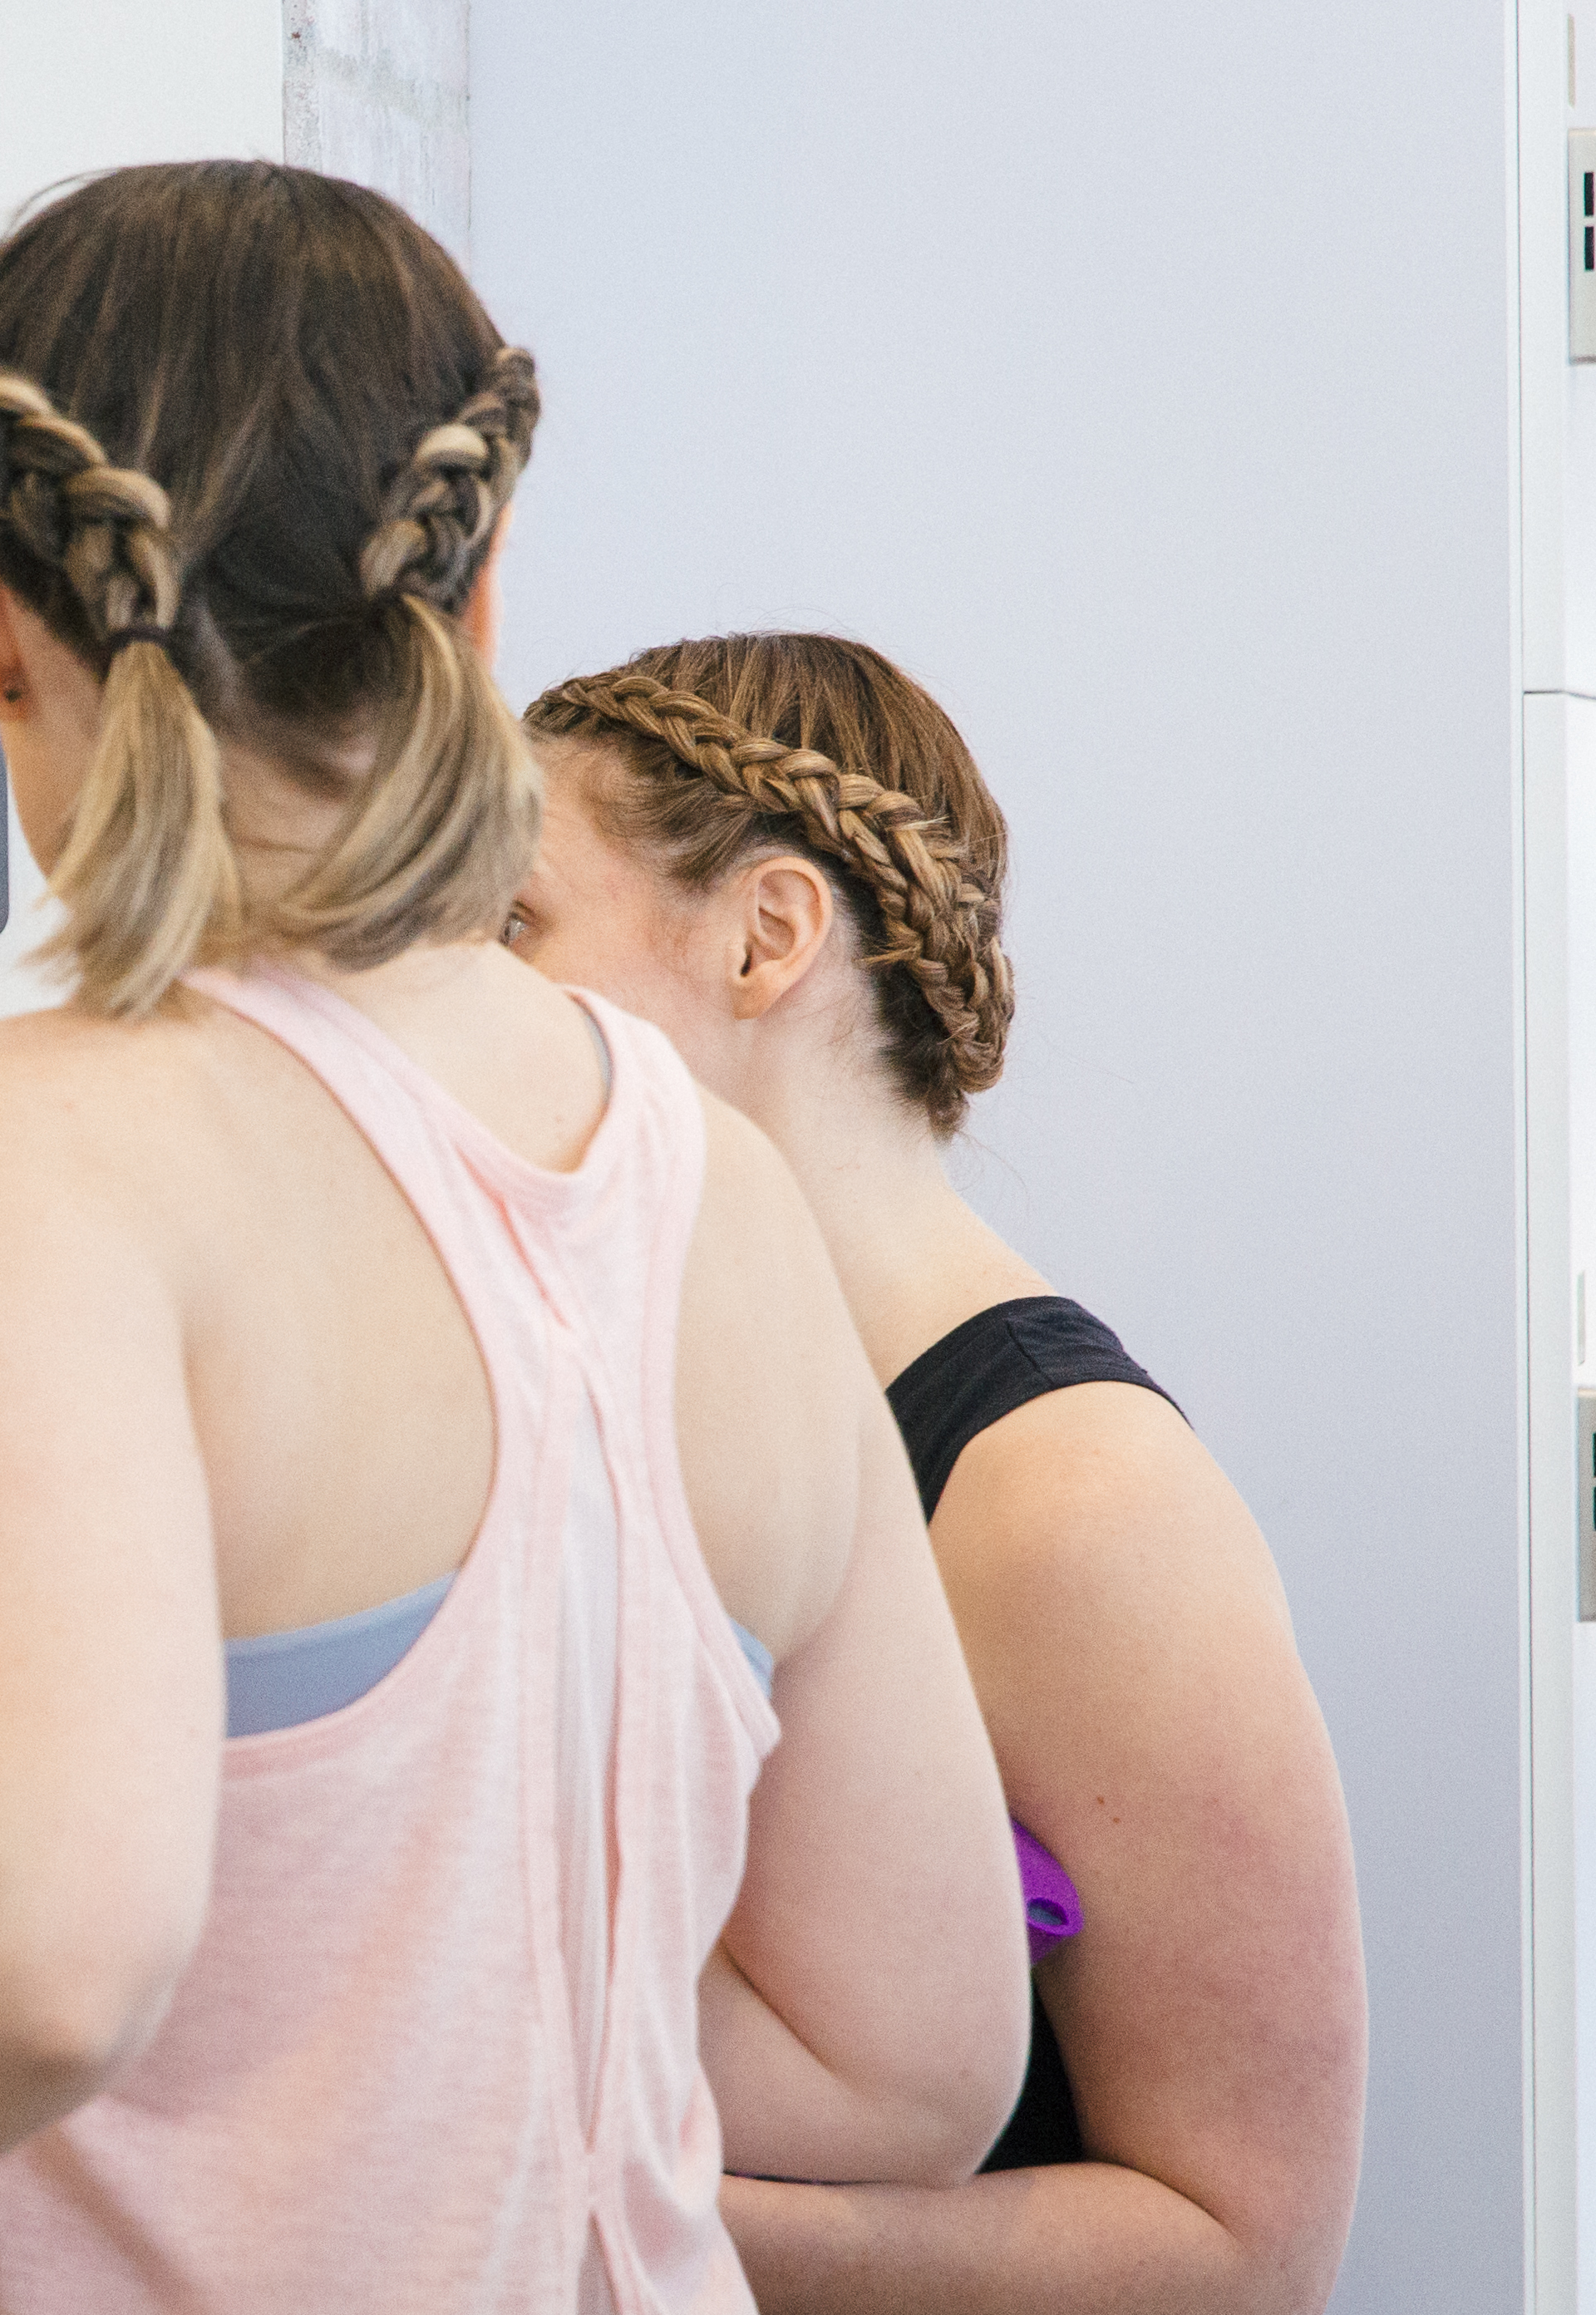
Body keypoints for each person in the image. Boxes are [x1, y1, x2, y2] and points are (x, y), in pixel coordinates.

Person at [0, 162, 1028, 2315]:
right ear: (472, 596)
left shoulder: (25, 1142)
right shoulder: (712, 1192)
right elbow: (920, 2049)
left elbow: (36, 1949)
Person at [505, 635, 1364, 2313]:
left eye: (517, 924)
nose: (470, 995)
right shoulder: (635, 1409)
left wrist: (624, 2223)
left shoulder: (1075, 1500)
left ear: (765, 937)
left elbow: (1244, 2253)